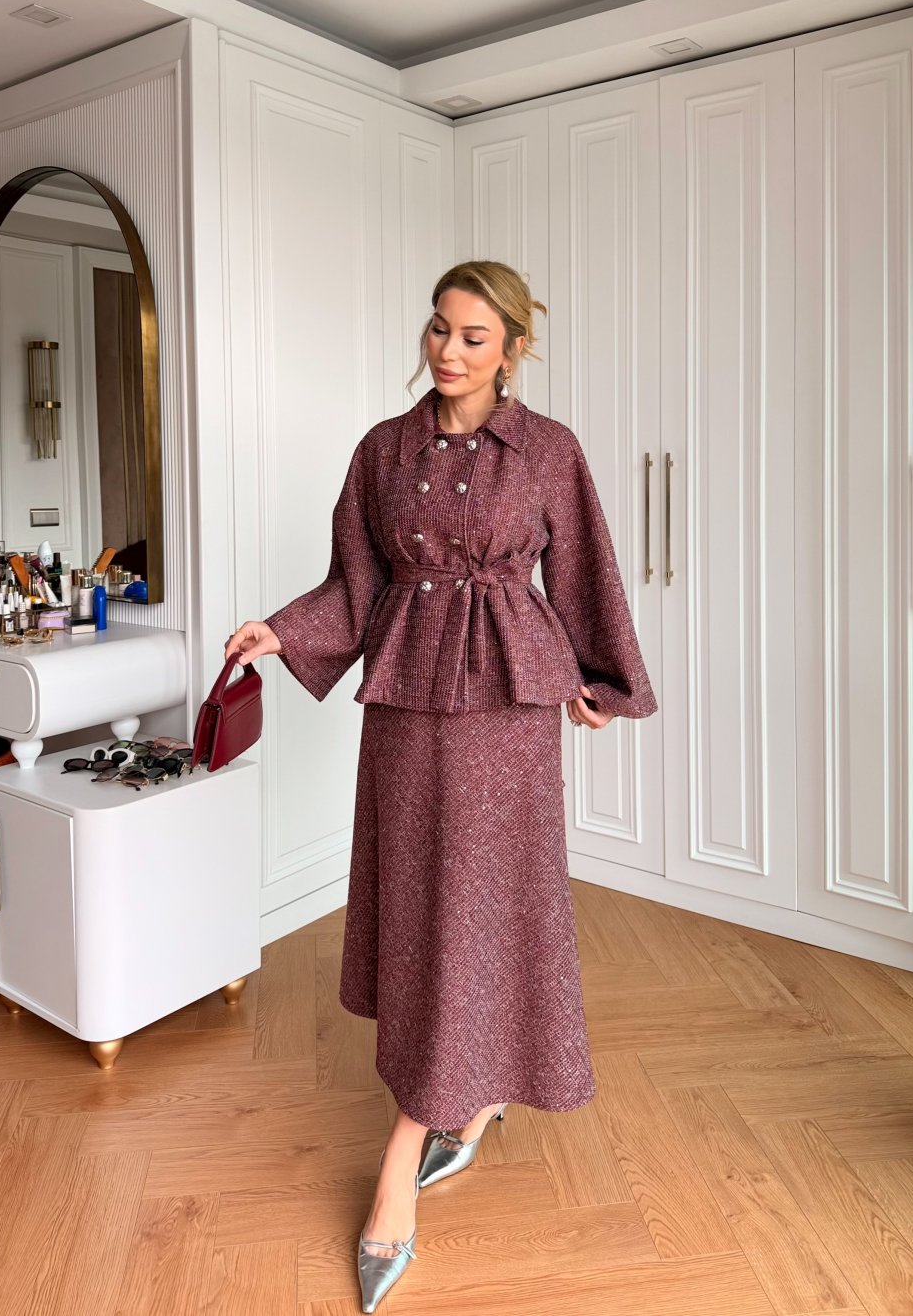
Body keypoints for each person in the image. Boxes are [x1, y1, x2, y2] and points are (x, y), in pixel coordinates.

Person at [223, 260, 657, 1313]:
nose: (448, 351)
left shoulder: (549, 451)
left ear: (512, 349)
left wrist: (600, 680)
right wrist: (283, 630)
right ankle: (469, 1094)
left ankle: (404, 1153)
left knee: (489, 905)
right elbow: (357, 583)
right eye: (438, 329)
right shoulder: (382, 450)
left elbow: (585, 572)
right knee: (426, 909)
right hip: (407, 706)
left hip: (508, 713)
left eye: (473, 336)